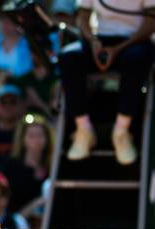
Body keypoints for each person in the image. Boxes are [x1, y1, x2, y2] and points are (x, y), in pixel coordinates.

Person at [59, 0, 155, 165]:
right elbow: (83, 16)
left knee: (135, 60)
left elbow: (151, 23)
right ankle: (83, 129)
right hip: (101, 40)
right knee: (69, 57)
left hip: (135, 41)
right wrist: (93, 41)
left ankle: (122, 131)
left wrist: (118, 49)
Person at [0, 113, 54, 212]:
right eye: (31, 136)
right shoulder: (11, 167)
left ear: (47, 139)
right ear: (23, 140)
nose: (36, 140)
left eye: (40, 135)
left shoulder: (53, 167)